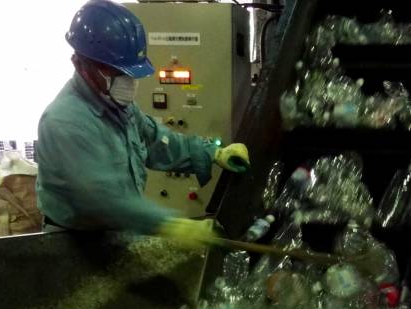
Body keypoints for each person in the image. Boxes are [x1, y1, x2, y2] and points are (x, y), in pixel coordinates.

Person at [36, 0, 250, 242]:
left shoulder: (117, 104)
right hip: (76, 247)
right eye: (116, 71)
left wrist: (214, 153)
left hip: (118, 236)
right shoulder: (65, 123)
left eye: (131, 73)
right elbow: (102, 201)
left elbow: (157, 142)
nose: (128, 81)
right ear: (80, 64)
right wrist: (169, 224)